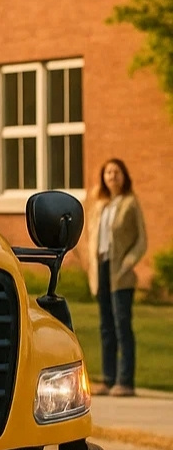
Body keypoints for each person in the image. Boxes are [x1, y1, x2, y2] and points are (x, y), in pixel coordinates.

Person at [85, 158, 147, 396]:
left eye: (116, 172)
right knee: (105, 327)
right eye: (108, 172)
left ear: (124, 176)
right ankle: (109, 379)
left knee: (122, 326)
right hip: (101, 269)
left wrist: (129, 262)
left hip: (120, 272)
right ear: (104, 177)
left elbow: (142, 239)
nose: (112, 176)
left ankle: (125, 381)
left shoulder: (130, 203)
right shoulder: (100, 205)